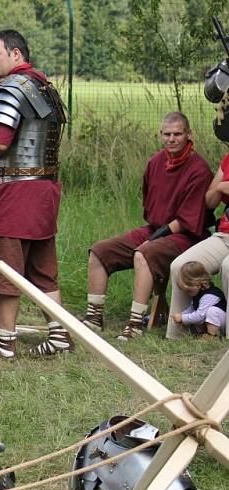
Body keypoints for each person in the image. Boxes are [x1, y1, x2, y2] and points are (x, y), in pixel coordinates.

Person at [0, 30, 71, 359]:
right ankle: (59, 335)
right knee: (42, 268)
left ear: (15, 54)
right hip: (46, 187)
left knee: (6, 268)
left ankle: (6, 344)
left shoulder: (10, 89)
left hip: (20, 190)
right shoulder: (44, 88)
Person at [82, 112, 212, 340]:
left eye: (178, 134)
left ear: (189, 135)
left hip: (186, 236)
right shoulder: (155, 162)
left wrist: (151, 240)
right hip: (154, 229)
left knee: (143, 254)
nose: (172, 139)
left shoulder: (199, 169)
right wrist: (151, 236)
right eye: (167, 134)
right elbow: (149, 206)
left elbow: (185, 221)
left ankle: (135, 325)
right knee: (99, 251)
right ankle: (94, 318)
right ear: (161, 134)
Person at [166, 151, 229, 338]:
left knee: (228, 267)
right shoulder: (227, 158)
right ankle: (178, 334)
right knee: (179, 266)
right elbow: (209, 202)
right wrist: (220, 188)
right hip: (224, 235)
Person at [171, 260, 226, 337]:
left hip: (224, 322)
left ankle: (212, 336)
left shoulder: (209, 295)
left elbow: (199, 317)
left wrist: (182, 318)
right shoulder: (198, 293)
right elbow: (192, 308)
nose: (187, 293)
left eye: (188, 291)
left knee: (212, 311)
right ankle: (201, 334)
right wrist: (182, 314)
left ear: (198, 284)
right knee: (199, 312)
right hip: (216, 321)